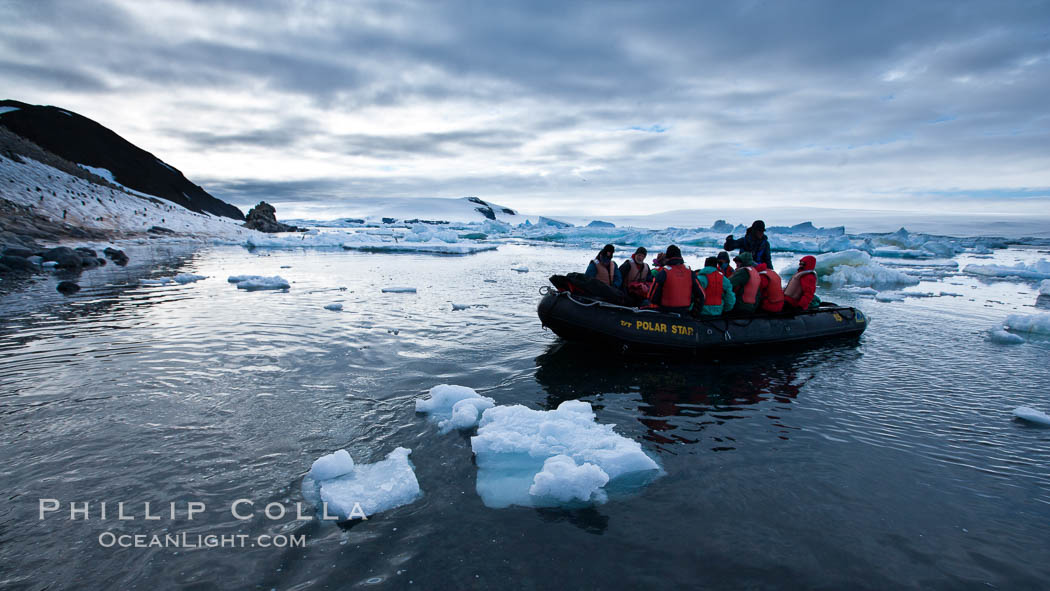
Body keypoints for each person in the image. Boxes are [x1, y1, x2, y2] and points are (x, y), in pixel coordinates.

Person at [647, 245, 704, 314]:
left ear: (668, 258)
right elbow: (701, 295)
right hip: (685, 311)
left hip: (666, 311)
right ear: (680, 257)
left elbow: (651, 296)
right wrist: (695, 312)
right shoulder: (690, 272)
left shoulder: (663, 272)